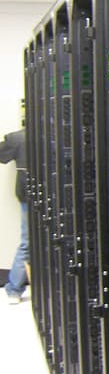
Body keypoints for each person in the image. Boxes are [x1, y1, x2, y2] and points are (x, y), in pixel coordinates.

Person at [0, 127, 29, 303]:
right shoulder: (63, 133)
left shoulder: (17, 137)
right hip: (59, 194)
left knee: (27, 242)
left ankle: (14, 291)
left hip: (27, 192)